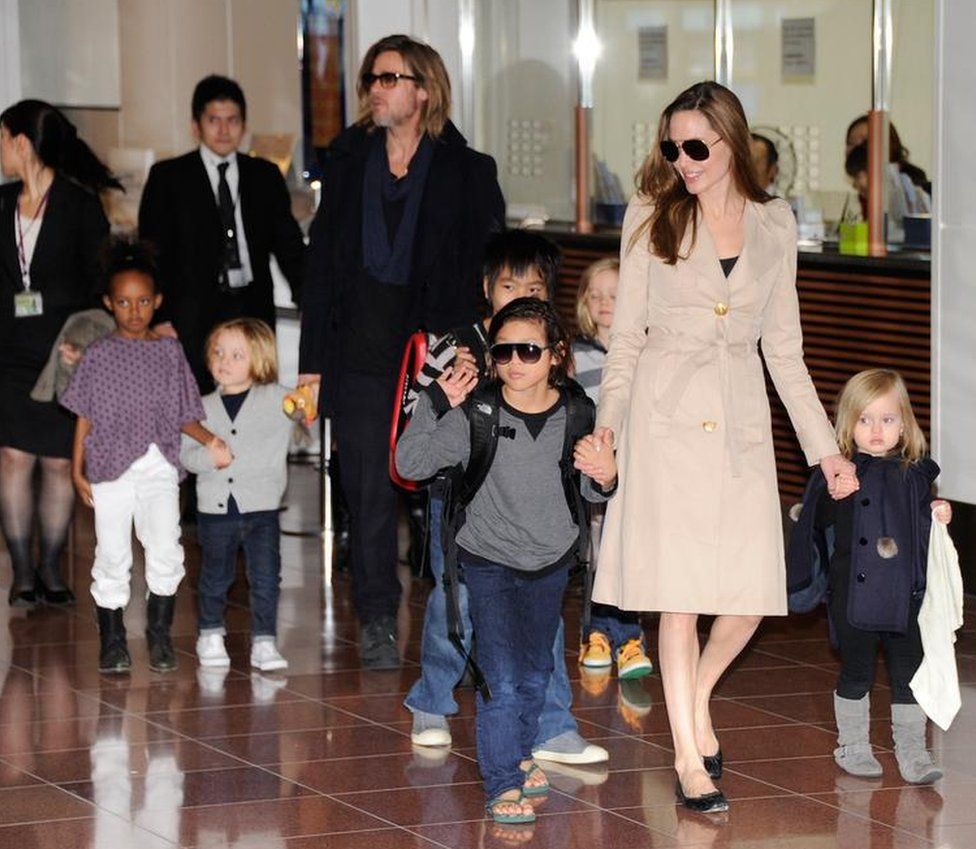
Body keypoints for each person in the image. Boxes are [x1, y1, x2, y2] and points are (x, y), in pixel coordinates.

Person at [575, 80, 854, 813]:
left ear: (733, 141)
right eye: (672, 146)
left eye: (697, 146)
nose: (683, 159)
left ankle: (693, 694)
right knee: (678, 598)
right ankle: (688, 753)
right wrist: (608, 424)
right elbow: (626, 339)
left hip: (741, 428)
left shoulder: (773, 222)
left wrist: (825, 449)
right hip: (663, 426)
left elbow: (784, 351)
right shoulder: (649, 216)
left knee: (750, 596)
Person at [299, 34, 505, 669]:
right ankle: (379, 618)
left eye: (390, 78)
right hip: (357, 348)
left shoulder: (467, 169)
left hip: (435, 350)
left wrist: (487, 347)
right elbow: (322, 267)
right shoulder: (345, 159)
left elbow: (489, 270)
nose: (376, 89)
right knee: (365, 487)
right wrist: (310, 365)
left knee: (445, 485)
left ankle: (459, 624)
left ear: (424, 89)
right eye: (372, 79)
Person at [396, 298, 617, 824]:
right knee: (502, 676)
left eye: (529, 351)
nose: (515, 362)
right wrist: (434, 400)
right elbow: (410, 461)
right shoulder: (479, 413)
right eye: (503, 351)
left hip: (550, 563)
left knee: (537, 670)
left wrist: (607, 474)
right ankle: (502, 780)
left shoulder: (578, 413)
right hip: (488, 561)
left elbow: (592, 486)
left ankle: (518, 752)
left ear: (557, 356)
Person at [60, 239, 230, 674]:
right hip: (110, 468)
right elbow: (84, 415)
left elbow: (182, 413)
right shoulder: (98, 356)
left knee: (165, 548)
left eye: (142, 301)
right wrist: (78, 469)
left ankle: (159, 636)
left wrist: (210, 439)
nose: (133, 310)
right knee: (112, 552)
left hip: (158, 467)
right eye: (123, 302)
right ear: (108, 303)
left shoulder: (168, 353)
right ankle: (113, 640)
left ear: (156, 302)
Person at [788, 368, 951, 785]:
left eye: (888, 419)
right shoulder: (838, 473)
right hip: (853, 597)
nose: (876, 429)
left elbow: (920, 527)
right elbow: (816, 522)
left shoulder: (915, 474)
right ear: (848, 424)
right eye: (865, 419)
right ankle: (854, 745)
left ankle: (912, 750)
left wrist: (937, 514)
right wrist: (831, 495)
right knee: (856, 671)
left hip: (904, 595)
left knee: (908, 674)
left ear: (904, 424)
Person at [0, 99, 120, 609]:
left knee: (53, 463)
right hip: (6, 352)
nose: (1, 149)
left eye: (3, 138)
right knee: (10, 457)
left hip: (62, 355)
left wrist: (89, 344)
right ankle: (23, 570)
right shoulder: (1, 202)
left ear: (21, 143)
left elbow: (102, 285)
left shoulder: (79, 205)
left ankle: (52, 565)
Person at [138, 74, 305, 388]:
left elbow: (289, 246)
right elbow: (153, 254)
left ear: (244, 125)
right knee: (195, 404)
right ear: (195, 125)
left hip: (251, 306)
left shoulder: (264, 176)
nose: (224, 130)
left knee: (255, 398)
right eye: (214, 120)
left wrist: (309, 300)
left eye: (233, 120)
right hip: (192, 311)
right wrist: (158, 317)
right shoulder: (169, 177)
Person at [180, 318, 294, 673]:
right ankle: (210, 632)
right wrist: (208, 457)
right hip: (215, 510)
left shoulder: (278, 399)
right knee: (215, 575)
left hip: (261, 509)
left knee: (265, 576)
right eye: (218, 353)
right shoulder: (200, 407)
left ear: (259, 360)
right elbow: (185, 455)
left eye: (236, 355)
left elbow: (306, 407)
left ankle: (264, 639)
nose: (224, 361)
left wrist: (309, 402)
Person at [572, 258, 653, 681]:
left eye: (615, 296)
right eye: (596, 295)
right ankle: (596, 634)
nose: (605, 304)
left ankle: (630, 636)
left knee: (628, 555)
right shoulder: (574, 354)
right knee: (597, 556)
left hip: (634, 472)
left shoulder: (645, 353)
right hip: (593, 474)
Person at [844, 115, 931, 195]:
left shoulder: (913, 190)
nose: (855, 150)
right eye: (850, 143)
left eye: (865, 141)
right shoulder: (855, 199)